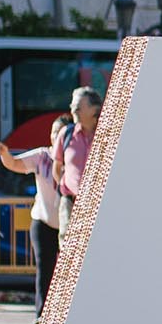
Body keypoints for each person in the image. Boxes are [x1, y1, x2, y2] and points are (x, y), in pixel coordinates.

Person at [0, 123, 67, 320]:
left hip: (68, 224)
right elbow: (15, 163)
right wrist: (4, 153)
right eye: (54, 133)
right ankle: (42, 315)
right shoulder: (42, 156)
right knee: (45, 268)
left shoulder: (78, 156)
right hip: (43, 220)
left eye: (61, 133)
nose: (57, 137)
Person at [51, 88, 102, 232]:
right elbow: (56, 167)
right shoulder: (66, 134)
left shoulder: (109, 136)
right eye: (72, 106)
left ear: (94, 109)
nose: (73, 110)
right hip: (70, 204)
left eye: (78, 107)